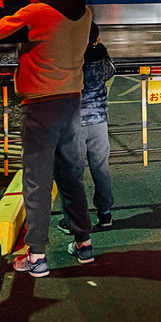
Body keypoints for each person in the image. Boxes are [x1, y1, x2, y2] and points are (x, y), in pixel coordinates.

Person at [0, 0, 97, 277]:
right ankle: (83, 243)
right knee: (70, 176)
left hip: (39, 107)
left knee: (37, 181)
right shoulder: (86, 13)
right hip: (71, 103)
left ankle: (36, 258)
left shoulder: (35, 13)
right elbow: (81, 37)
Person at [58, 25, 115, 233]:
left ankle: (75, 219)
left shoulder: (68, 54)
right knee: (101, 168)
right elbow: (109, 72)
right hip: (99, 119)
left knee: (73, 172)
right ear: (97, 38)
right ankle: (105, 213)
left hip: (74, 122)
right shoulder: (100, 52)